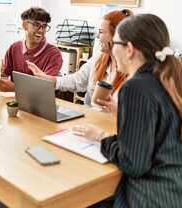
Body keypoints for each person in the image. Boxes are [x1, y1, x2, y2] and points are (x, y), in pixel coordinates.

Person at [72, 14, 182, 207]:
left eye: (114, 43)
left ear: (129, 49)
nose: (111, 49)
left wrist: (102, 137)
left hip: (150, 197)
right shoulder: (169, 79)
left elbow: (133, 164)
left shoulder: (136, 87)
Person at [27, 9, 133, 113]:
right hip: (90, 116)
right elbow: (78, 80)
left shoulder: (134, 70)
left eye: (101, 32)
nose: (97, 36)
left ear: (117, 36)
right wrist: (51, 80)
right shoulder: (99, 57)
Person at [0, 7, 62, 92]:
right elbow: (4, 75)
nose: (41, 31)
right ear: (24, 25)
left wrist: (14, 88)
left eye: (44, 26)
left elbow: (45, 88)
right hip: (13, 101)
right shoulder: (14, 48)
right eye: (36, 25)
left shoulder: (54, 54)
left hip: (39, 103)